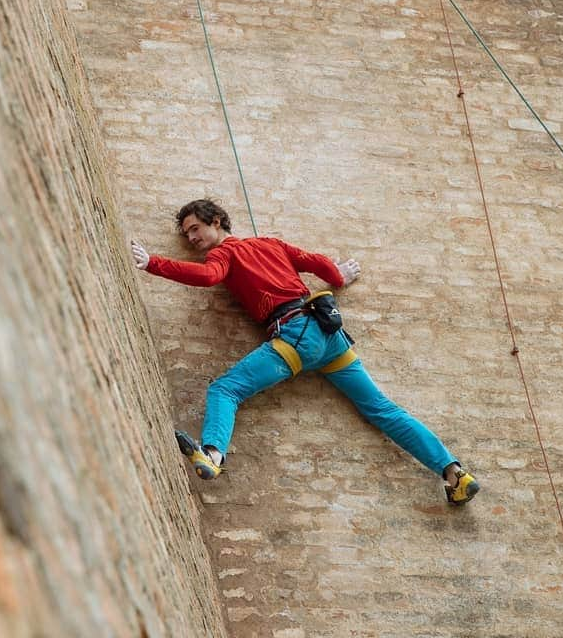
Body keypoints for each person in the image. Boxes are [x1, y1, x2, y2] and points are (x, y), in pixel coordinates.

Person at [131, 198, 478, 505]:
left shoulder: (225, 252)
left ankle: (212, 454)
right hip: (330, 335)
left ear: (217, 222)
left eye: (195, 229)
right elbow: (317, 263)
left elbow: (209, 277)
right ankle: (453, 472)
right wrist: (338, 279)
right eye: (187, 234)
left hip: (297, 334)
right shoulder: (270, 243)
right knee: (382, 410)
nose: (191, 239)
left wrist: (152, 264)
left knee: (225, 389)